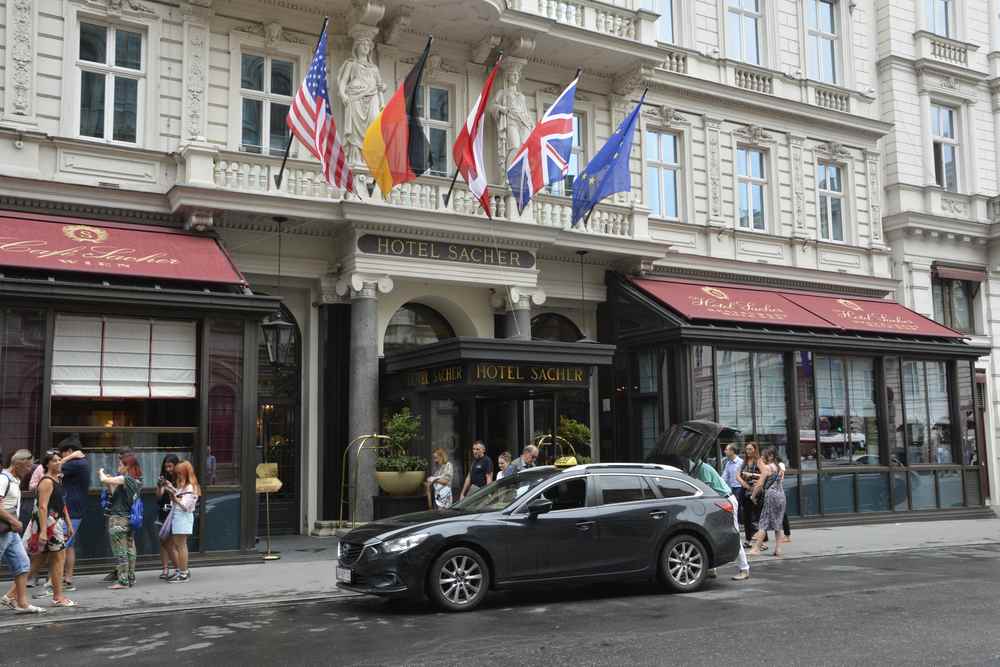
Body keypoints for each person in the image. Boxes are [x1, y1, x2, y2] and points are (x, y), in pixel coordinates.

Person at [676, 455, 750, 582]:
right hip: (719, 501)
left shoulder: (703, 469)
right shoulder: (698, 469)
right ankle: (712, 569)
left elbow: (706, 490)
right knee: (713, 533)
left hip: (725, 500)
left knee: (733, 533)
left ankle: (744, 568)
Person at [23, 451, 75, 607]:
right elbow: (43, 506)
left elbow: (61, 503)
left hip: (55, 523)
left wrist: (68, 522)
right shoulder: (46, 481)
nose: (59, 462)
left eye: (60, 460)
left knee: (40, 562)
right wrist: (44, 531)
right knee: (58, 559)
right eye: (54, 460)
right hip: (49, 524)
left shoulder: (57, 480)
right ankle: (58, 597)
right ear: (46, 464)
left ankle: (12, 595)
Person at [0, 450, 45, 614]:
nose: (28, 470)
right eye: (27, 466)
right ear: (18, 463)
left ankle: (22, 603)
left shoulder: (14, 480)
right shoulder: (3, 479)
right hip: (4, 529)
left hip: (9, 531)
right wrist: (14, 521)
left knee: (23, 564)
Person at [100, 452, 142, 589]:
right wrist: (111, 482)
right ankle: (130, 577)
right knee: (130, 548)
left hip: (118, 519)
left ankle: (123, 581)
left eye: (120, 464)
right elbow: (114, 493)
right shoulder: (136, 480)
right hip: (128, 519)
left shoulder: (127, 479)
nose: (118, 466)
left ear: (127, 466)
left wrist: (101, 472)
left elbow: (103, 479)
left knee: (120, 550)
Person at [57, 437, 88, 592]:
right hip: (75, 508)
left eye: (62, 453)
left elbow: (56, 467)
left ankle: (59, 581)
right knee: (69, 545)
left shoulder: (75, 464)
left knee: (63, 545)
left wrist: (68, 457)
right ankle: (67, 578)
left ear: (69, 451)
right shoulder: (80, 463)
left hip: (72, 509)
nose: (60, 457)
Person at [748, 448, 787, 557]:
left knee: (763, 522)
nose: (762, 458)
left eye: (764, 456)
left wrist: (753, 496)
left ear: (770, 456)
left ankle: (756, 549)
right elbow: (775, 481)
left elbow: (759, 485)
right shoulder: (779, 467)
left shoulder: (768, 468)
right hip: (781, 496)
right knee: (778, 523)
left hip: (771, 496)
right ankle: (778, 549)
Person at [166, 461, 200, 583]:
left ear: (186, 473)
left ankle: (184, 573)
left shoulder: (190, 486)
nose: (178, 476)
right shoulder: (185, 486)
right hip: (179, 516)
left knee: (181, 546)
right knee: (179, 545)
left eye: (180, 473)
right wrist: (171, 489)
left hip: (183, 517)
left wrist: (175, 498)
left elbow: (186, 506)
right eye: (178, 473)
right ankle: (182, 571)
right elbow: (181, 498)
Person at [155, 455, 180, 580]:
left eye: (170, 466)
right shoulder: (163, 477)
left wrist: (170, 487)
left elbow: (182, 496)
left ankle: (179, 569)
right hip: (164, 511)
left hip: (175, 512)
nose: (168, 469)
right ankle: (165, 569)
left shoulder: (181, 478)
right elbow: (158, 497)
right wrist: (160, 486)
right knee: (163, 541)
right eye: (166, 466)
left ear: (176, 465)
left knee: (173, 543)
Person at [738, 442, 766, 550]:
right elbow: (737, 475)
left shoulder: (758, 461)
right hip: (745, 490)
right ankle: (748, 540)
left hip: (756, 491)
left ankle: (761, 542)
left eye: (750, 449)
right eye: (747, 449)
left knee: (758, 517)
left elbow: (765, 474)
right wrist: (744, 484)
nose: (748, 451)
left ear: (755, 450)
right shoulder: (744, 462)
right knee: (746, 517)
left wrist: (752, 476)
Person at [722, 444, 744, 514]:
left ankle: (741, 523)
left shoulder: (741, 462)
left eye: (726, 450)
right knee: (734, 507)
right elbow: (724, 477)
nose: (724, 451)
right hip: (731, 489)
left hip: (740, 488)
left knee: (737, 506)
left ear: (732, 451)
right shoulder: (728, 463)